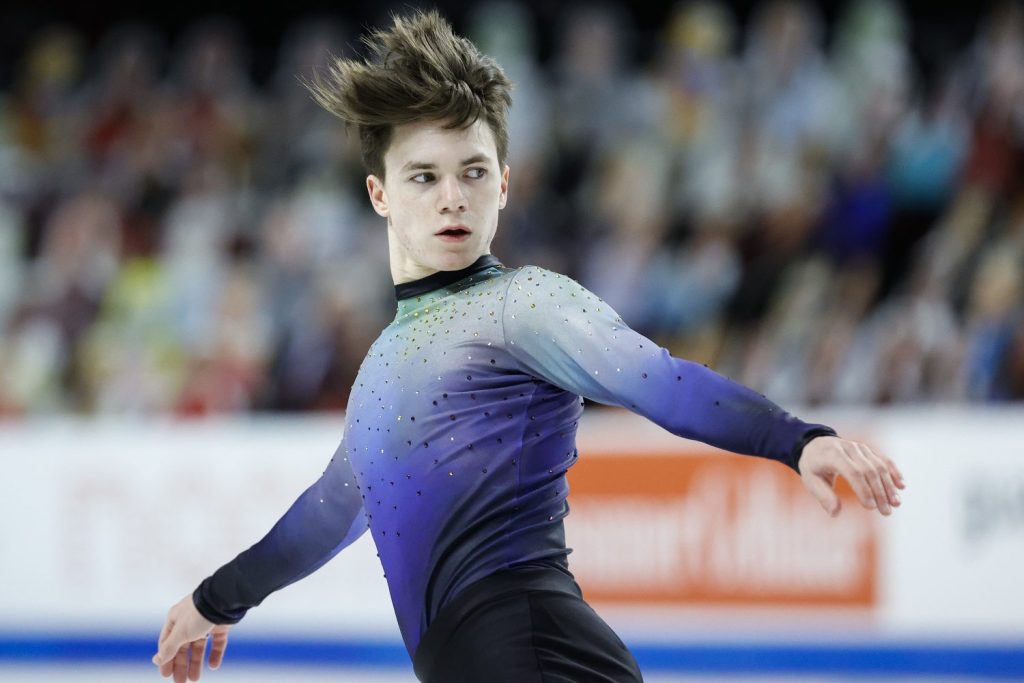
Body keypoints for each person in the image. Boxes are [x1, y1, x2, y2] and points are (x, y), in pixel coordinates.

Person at [152, 9, 905, 683]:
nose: (453, 196)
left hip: (535, 650)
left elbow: (660, 381)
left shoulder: (522, 305)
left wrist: (797, 440)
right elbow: (330, 512)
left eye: (473, 173)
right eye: (424, 177)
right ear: (380, 194)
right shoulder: (381, 366)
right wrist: (216, 598)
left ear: (504, 185)